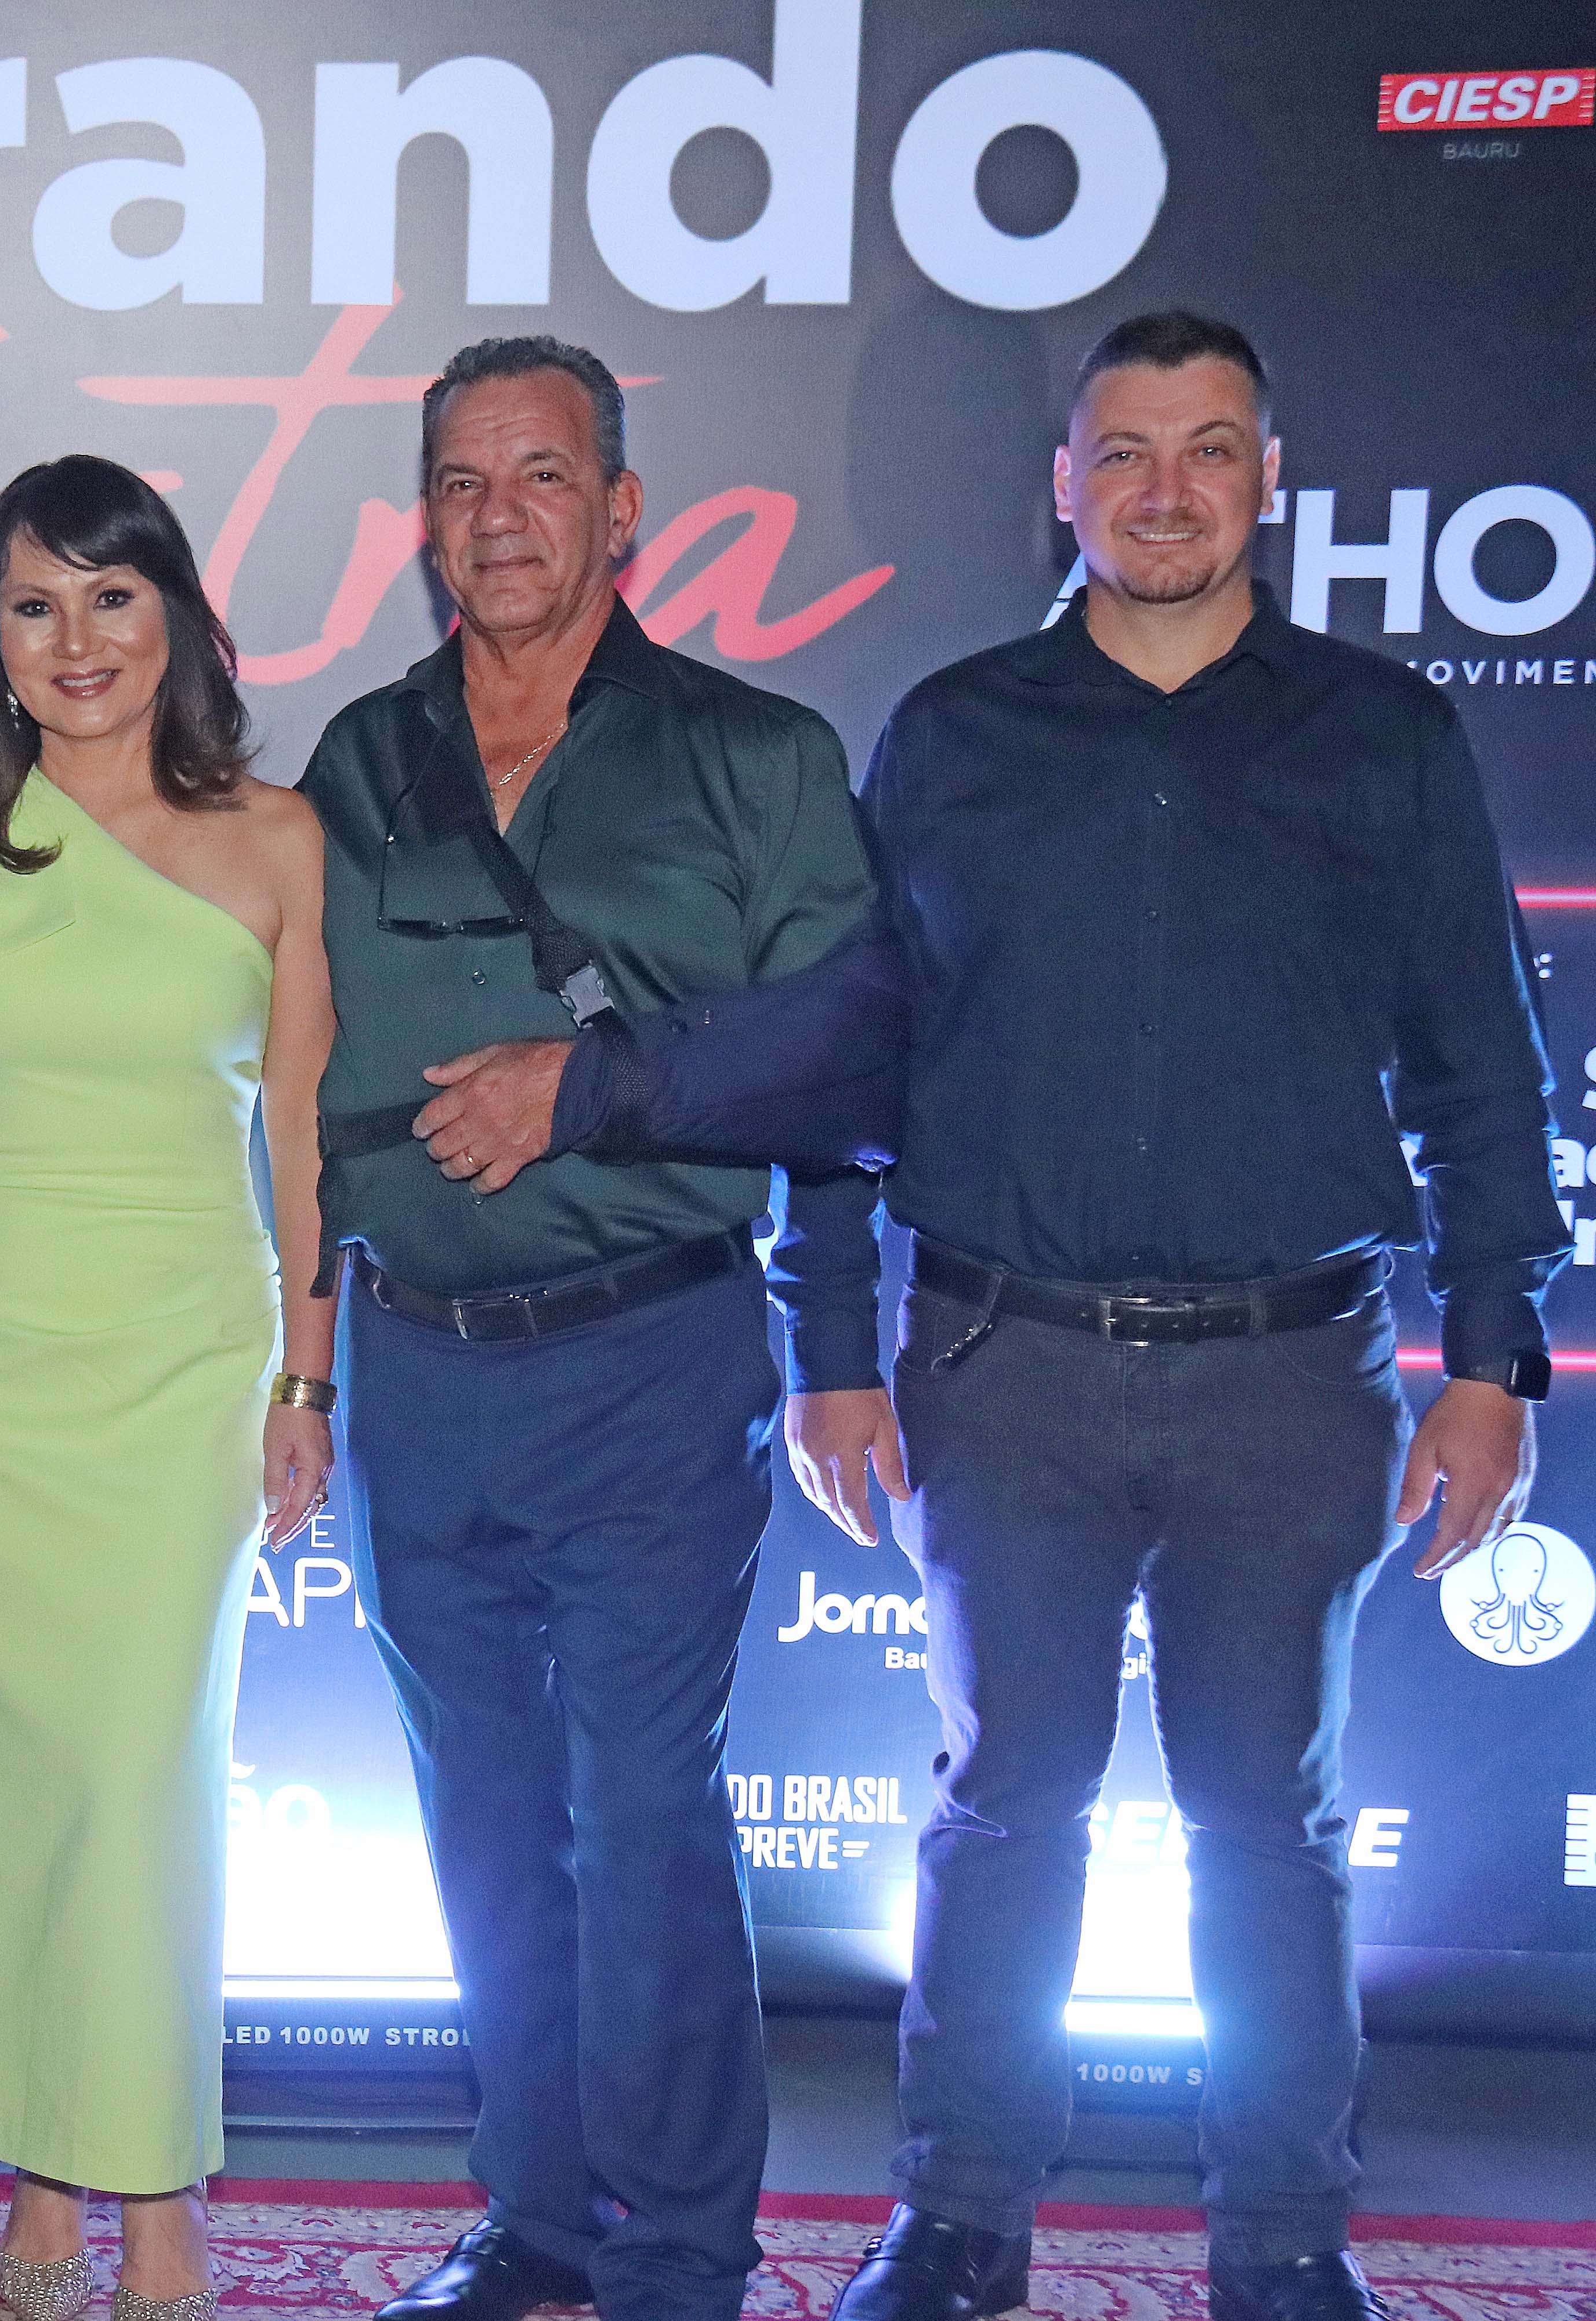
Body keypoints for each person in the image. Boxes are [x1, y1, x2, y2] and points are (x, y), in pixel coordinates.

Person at [501, 313, 1561, 2321]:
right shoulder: (954, 736)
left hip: (1295, 1375)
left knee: (1273, 1824)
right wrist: (829, 1346)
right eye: (1125, 452)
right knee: (1004, 1808)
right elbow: (852, 1056)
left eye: (1210, 448)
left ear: (1269, 478)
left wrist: (1495, 1362)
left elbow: (1481, 1078)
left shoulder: (1384, 739)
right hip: (1008, 1367)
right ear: (1061, 485)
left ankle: (1285, 2240)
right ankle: (962, 2221)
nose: (1167, 489)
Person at [0, 343, 877, 2321]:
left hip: (650, 1357)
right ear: (424, 520)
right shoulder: (358, 760)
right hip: (420, 1367)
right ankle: (536, 2222)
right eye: (461, 481)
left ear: (624, 507)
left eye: (543, 475)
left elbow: (851, 1052)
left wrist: (594, 1088)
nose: (499, 515)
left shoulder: (757, 755)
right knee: (484, 1819)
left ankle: (679, 2252)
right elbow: (226, 1000)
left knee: (643, 1813)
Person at [0, 453, 336, 2321]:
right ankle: (49, 2175)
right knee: (18, 1784)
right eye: (34, 606)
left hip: (185, 1358)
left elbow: (304, 1135)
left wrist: (307, 1378)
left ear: (175, 615)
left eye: (111, 597)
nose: (77, 640)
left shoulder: (278, 838)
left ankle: (158, 2192)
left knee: (139, 1781)